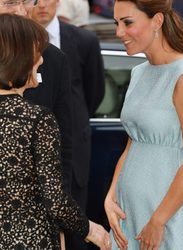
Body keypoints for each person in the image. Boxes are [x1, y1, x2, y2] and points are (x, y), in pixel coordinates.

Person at [104, 0, 183, 249]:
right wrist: (111, 195)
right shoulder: (139, 72)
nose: (119, 32)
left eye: (128, 23)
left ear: (157, 21)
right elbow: (133, 143)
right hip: (130, 209)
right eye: (117, 23)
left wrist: (159, 221)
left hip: (168, 214)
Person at [0, 13, 111, 250]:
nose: (41, 60)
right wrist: (91, 230)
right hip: (29, 240)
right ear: (18, 58)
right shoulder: (37, 119)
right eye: (36, 53)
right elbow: (55, 200)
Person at [31, 0, 105, 249]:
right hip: (28, 155)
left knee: (74, 232)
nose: (41, 4)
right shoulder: (16, 41)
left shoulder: (84, 41)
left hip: (72, 151)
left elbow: (93, 93)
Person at [0, 0, 73, 194]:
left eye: (26, 2)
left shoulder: (51, 59)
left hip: (32, 209)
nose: (21, 11)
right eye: (10, 3)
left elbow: (62, 145)